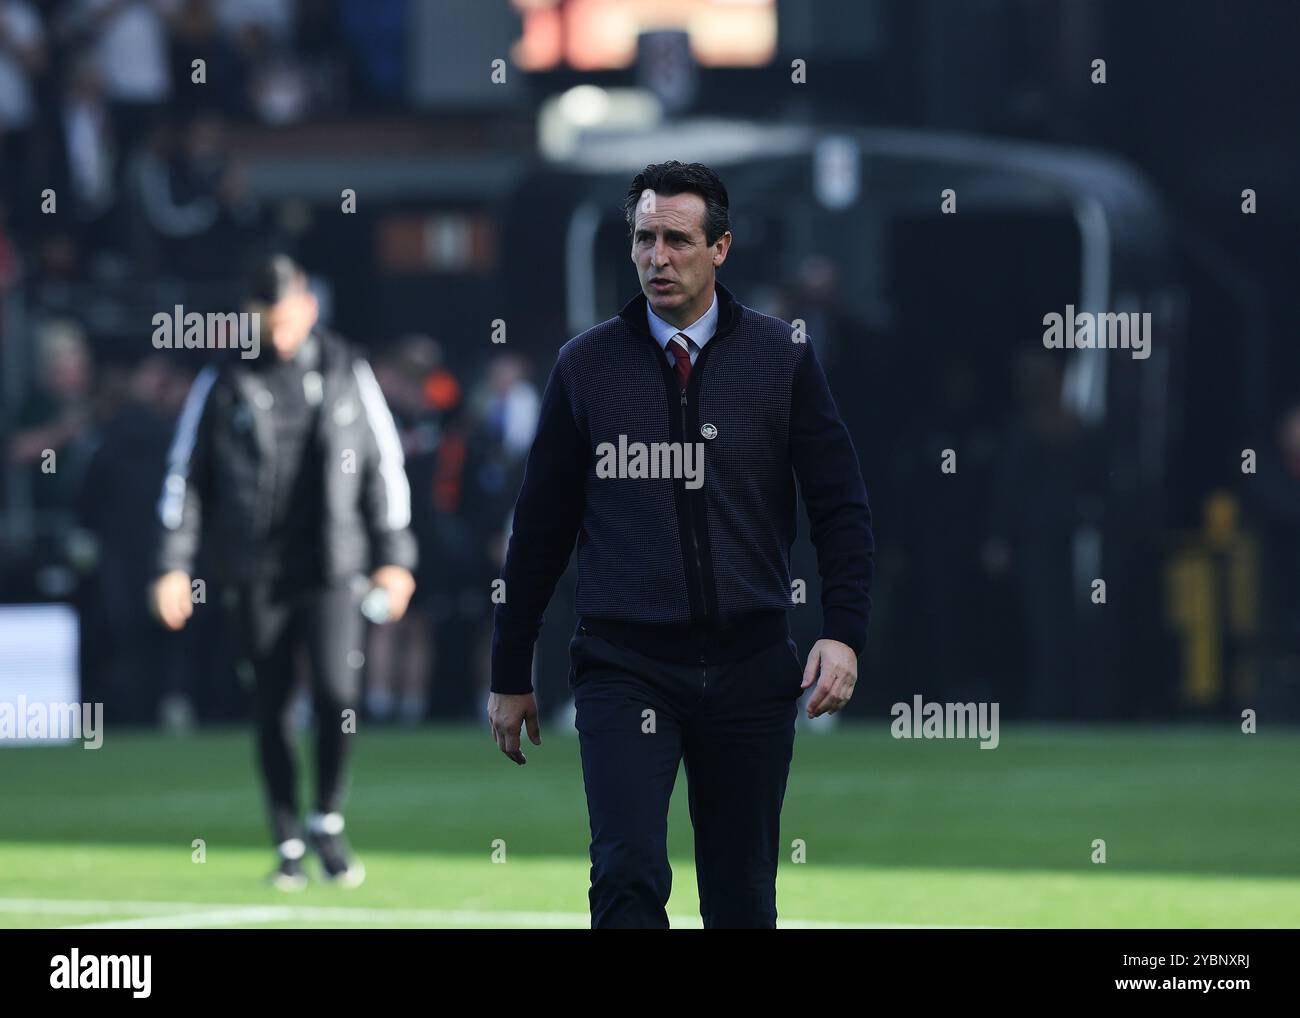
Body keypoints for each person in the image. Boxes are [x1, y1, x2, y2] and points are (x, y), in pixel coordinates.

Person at [487, 161, 874, 928]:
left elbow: (840, 506)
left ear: (721, 248)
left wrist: (842, 633)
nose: (657, 257)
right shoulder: (586, 366)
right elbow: (538, 529)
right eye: (643, 239)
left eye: (676, 239)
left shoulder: (781, 358)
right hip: (625, 665)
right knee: (626, 876)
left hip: (752, 664)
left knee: (740, 900)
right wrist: (510, 670)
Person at [150, 253, 416, 890]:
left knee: (337, 695)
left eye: (288, 316)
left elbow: (386, 467)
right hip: (254, 570)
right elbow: (184, 478)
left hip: (332, 565)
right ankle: (287, 839)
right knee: (270, 705)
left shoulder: (348, 370)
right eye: (266, 319)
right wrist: (172, 566)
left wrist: (395, 558)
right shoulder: (221, 378)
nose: (279, 330)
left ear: (309, 308)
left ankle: (325, 817)